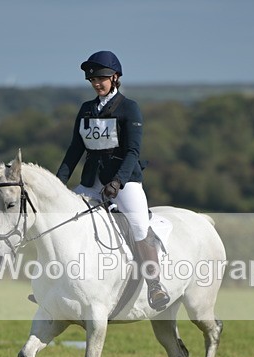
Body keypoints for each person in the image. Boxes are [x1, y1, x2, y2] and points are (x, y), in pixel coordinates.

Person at [57, 51, 170, 311]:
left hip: (125, 180)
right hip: (91, 181)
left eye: (102, 78)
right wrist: (59, 182)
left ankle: (155, 285)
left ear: (115, 77)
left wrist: (118, 183)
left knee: (139, 224)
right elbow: (75, 149)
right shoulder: (86, 108)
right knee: (64, 219)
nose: (97, 83)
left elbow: (133, 152)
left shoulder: (129, 107)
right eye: (92, 79)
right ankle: (58, 284)